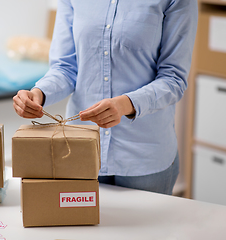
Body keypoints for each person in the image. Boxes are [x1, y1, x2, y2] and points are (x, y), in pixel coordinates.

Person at [13, 0, 198, 195]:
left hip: (144, 158)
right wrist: (38, 94)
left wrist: (126, 104)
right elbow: (65, 68)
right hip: (82, 149)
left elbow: (173, 78)